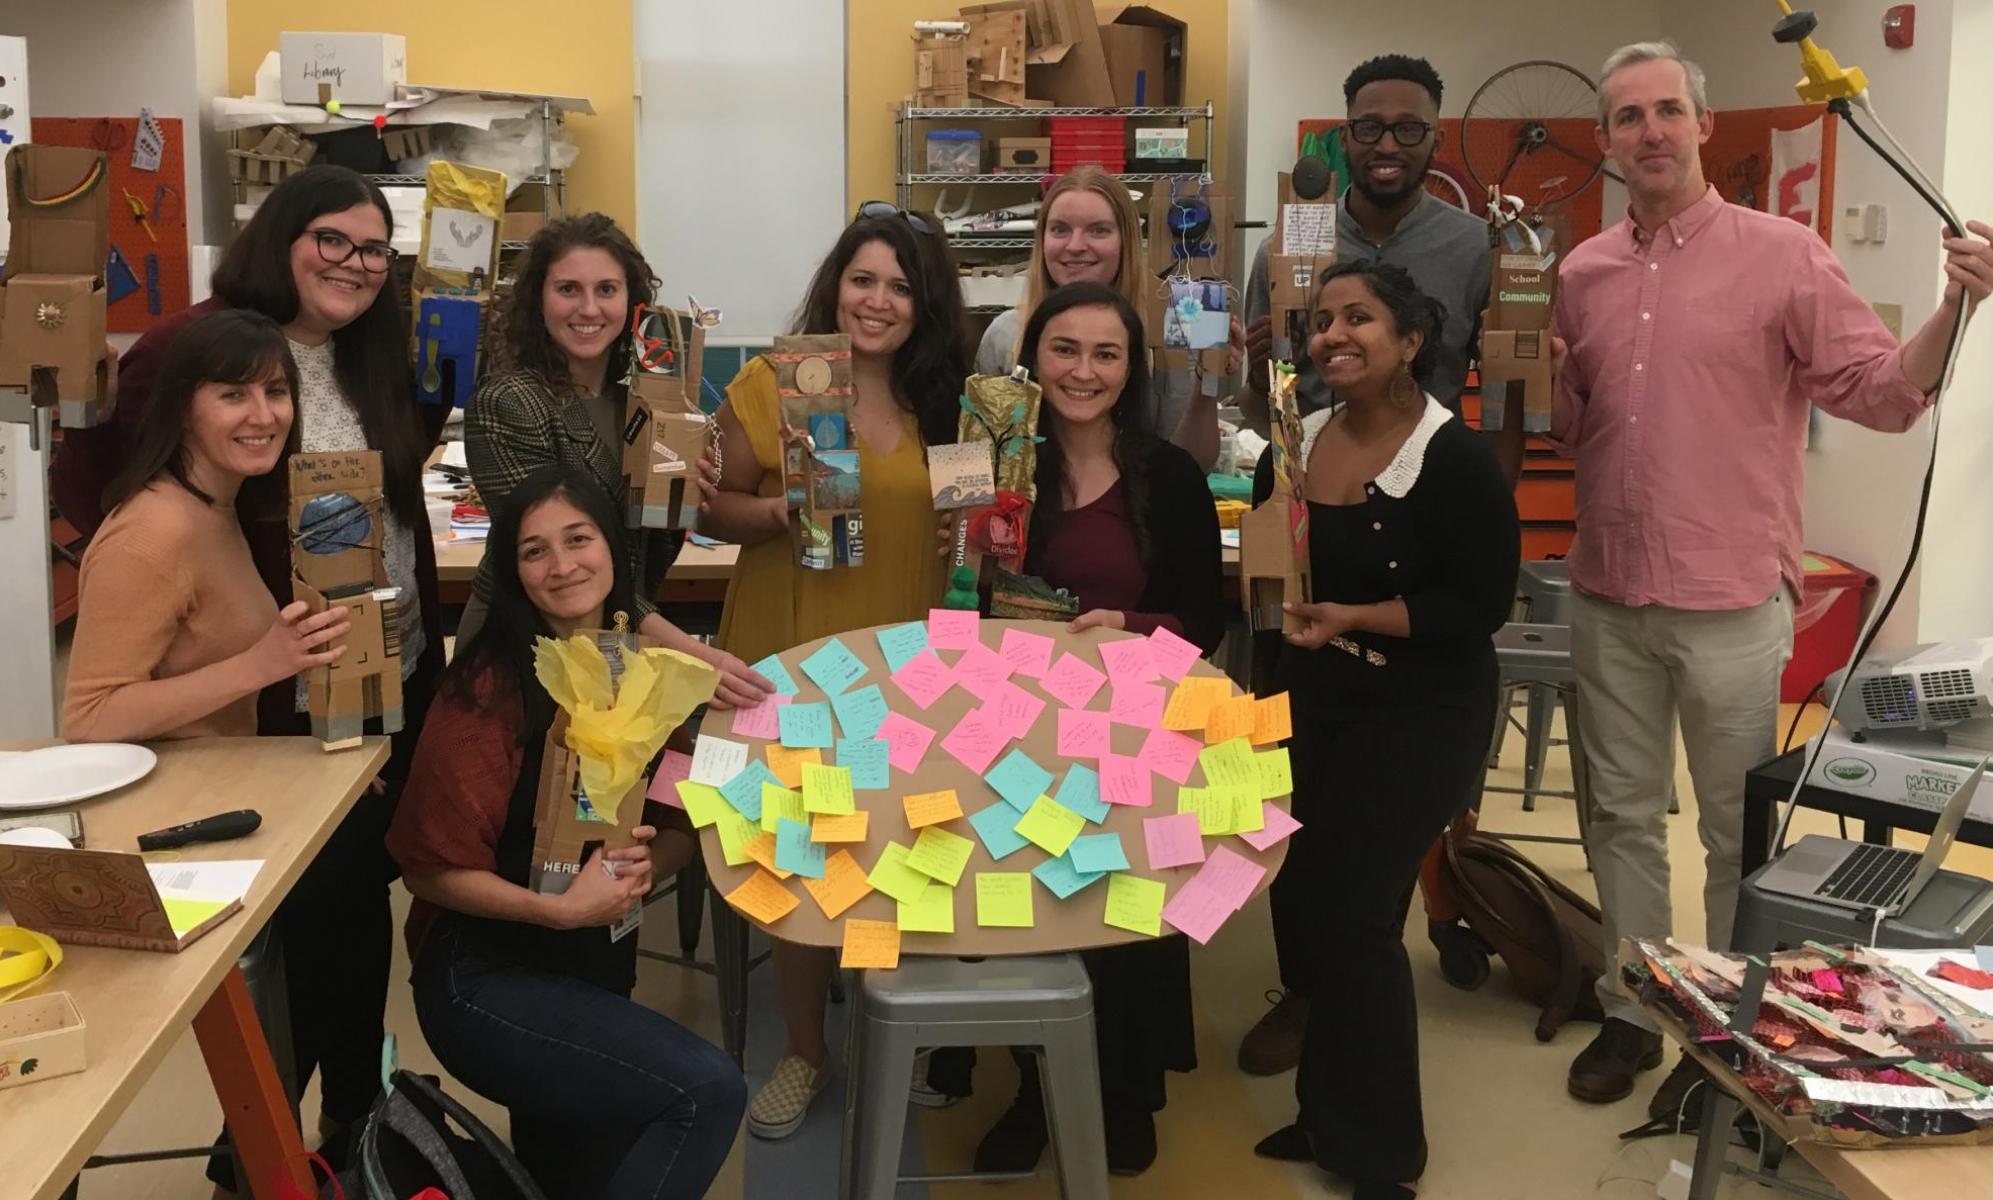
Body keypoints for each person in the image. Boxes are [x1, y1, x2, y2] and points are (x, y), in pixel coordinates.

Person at [1557, 41, 1993, 1121]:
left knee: (1729, 828)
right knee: (1615, 818)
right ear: (1607, 143)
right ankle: (1633, 1009)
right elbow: (1575, 432)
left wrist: (1952, 307)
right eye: (1627, 117)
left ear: (1704, 127)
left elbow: (1883, 394)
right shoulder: (1579, 274)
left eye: (1667, 110)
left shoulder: (1784, 257)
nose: (1649, 132)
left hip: (1731, 604)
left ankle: (1737, 1026)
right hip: (1608, 591)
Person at [56, 164, 449, 1182]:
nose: (353, 264)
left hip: (366, 681)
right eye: (332, 239)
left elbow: (385, 500)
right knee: (308, 954)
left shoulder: (364, 357)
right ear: (281, 236)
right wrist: (227, 636)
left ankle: (346, 1134)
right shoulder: (194, 368)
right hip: (267, 724)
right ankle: (267, 1148)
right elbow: (111, 493)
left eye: (373, 249)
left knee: (353, 936)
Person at [1237, 52, 1521, 1080]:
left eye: (1408, 128)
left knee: (1371, 857)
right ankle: (1308, 997)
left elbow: (1513, 375)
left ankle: (1385, 988)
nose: (1388, 143)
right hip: (1324, 530)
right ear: (1342, 136)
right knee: (1297, 837)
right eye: (1370, 127)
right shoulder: (1298, 234)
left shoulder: (1469, 245)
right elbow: (1256, 375)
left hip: (1423, 524)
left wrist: (1499, 456)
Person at [387, 465, 743, 1200]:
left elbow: (677, 820)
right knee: (705, 1092)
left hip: (594, 966)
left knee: (569, 1177)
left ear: (614, 550)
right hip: (486, 978)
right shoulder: (489, 689)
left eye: (578, 540)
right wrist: (559, 910)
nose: (562, 566)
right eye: (534, 551)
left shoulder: (642, 673)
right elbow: (428, 869)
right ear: (512, 574)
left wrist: (648, 867)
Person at [930, 282, 1222, 1175]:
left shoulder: (1167, 474)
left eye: (1105, 354)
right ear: (1032, 359)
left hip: (1130, 731)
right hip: (1011, 730)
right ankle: (1033, 1081)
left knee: (1125, 910)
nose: (1082, 371)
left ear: (1130, 370)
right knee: (1034, 907)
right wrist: (963, 555)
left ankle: (1127, 1091)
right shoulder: (980, 458)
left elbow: (1207, 620)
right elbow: (946, 597)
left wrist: (1126, 631)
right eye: (1064, 350)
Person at [695, 205, 967, 1139]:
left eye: (900, 286)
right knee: (801, 850)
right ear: (834, 285)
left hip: (908, 653)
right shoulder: (777, 383)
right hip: (798, 644)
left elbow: (975, 523)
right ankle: (806, 1047)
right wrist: (783, 512)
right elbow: (713, 511)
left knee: (900, 844)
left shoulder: (956, 397)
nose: (878, 301)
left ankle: (897, 1029)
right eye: (863, 280)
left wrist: (974, 527)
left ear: (925, 304)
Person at [1249, 260, 1519, 1200]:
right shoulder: (1294, 440)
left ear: (1410, 339)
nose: (1334, 334)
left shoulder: (1452, 461)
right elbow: (1269, 567)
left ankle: (1380, 1157)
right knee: (1307, 904)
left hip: (1420, 712)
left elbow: (1476, 605)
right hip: (1312, 701)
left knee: (1359, 920)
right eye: (1321, 320)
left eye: (1358, 317)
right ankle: (1324, 1113)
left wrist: (1355, 617)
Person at [462, 213, 766, 708]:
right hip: (530, 648)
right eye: (568, 289)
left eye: (607, 289)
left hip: (618, 635)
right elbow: (561, 561)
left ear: (632, 303)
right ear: (538, 298)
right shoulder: (510, 401)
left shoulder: (639, 405)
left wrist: (682, 496)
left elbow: (639, 553)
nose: (589, 308)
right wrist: (688, 651)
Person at [63, 309, 349, 742]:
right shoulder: (151, 534)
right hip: (177, 801)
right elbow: (88, 720)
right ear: (181, 409)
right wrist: (260, 664)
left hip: (227, 779)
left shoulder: (217, 506)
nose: (264, 416)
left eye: (275, 391)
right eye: (233, 395)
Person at [973, 168, 1242, 468]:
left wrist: (1207, 380)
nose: (1075, 246)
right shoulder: (1005, 335)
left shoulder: (1171, 331)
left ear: (1125, 240)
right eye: (1060, 229)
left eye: (1098, 230)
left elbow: (1195, 465)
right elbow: (978, 457)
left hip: (1142, 510)